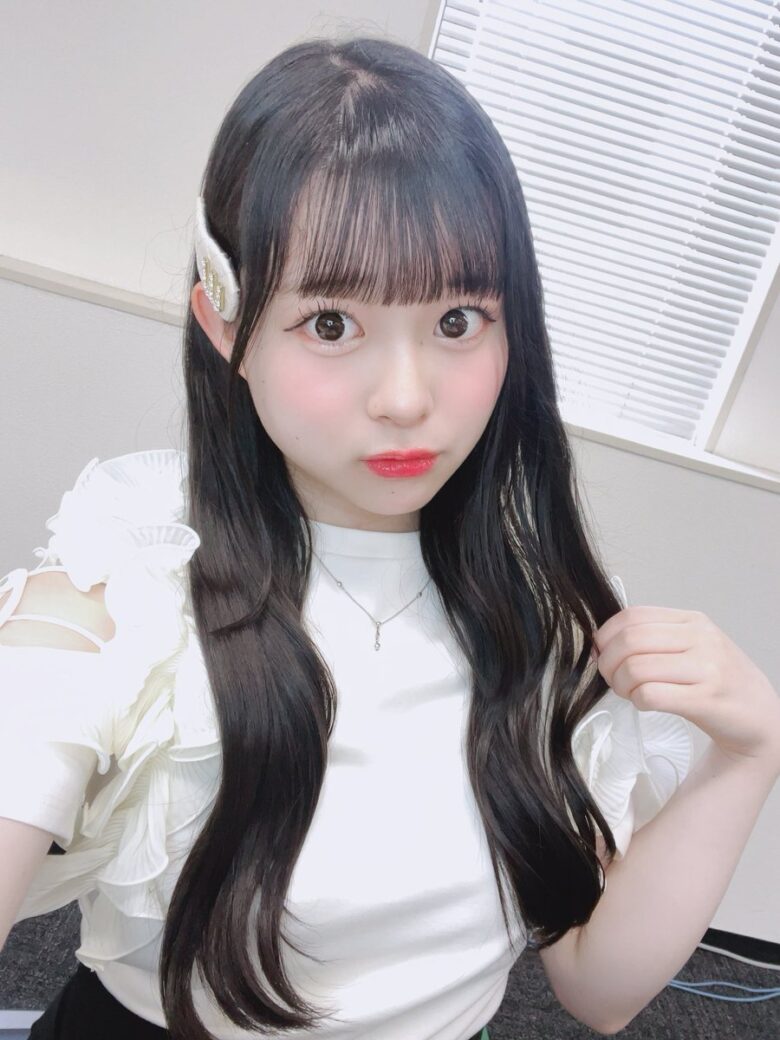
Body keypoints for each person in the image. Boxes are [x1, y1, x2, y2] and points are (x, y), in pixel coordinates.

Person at [2, 33, 779, 1040]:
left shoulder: (542, 617)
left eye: (457, 321)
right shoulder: (121, 592)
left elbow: (598, 987)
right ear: (227, 325)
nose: (407, 398)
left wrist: (747, 752)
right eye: (331, 324)